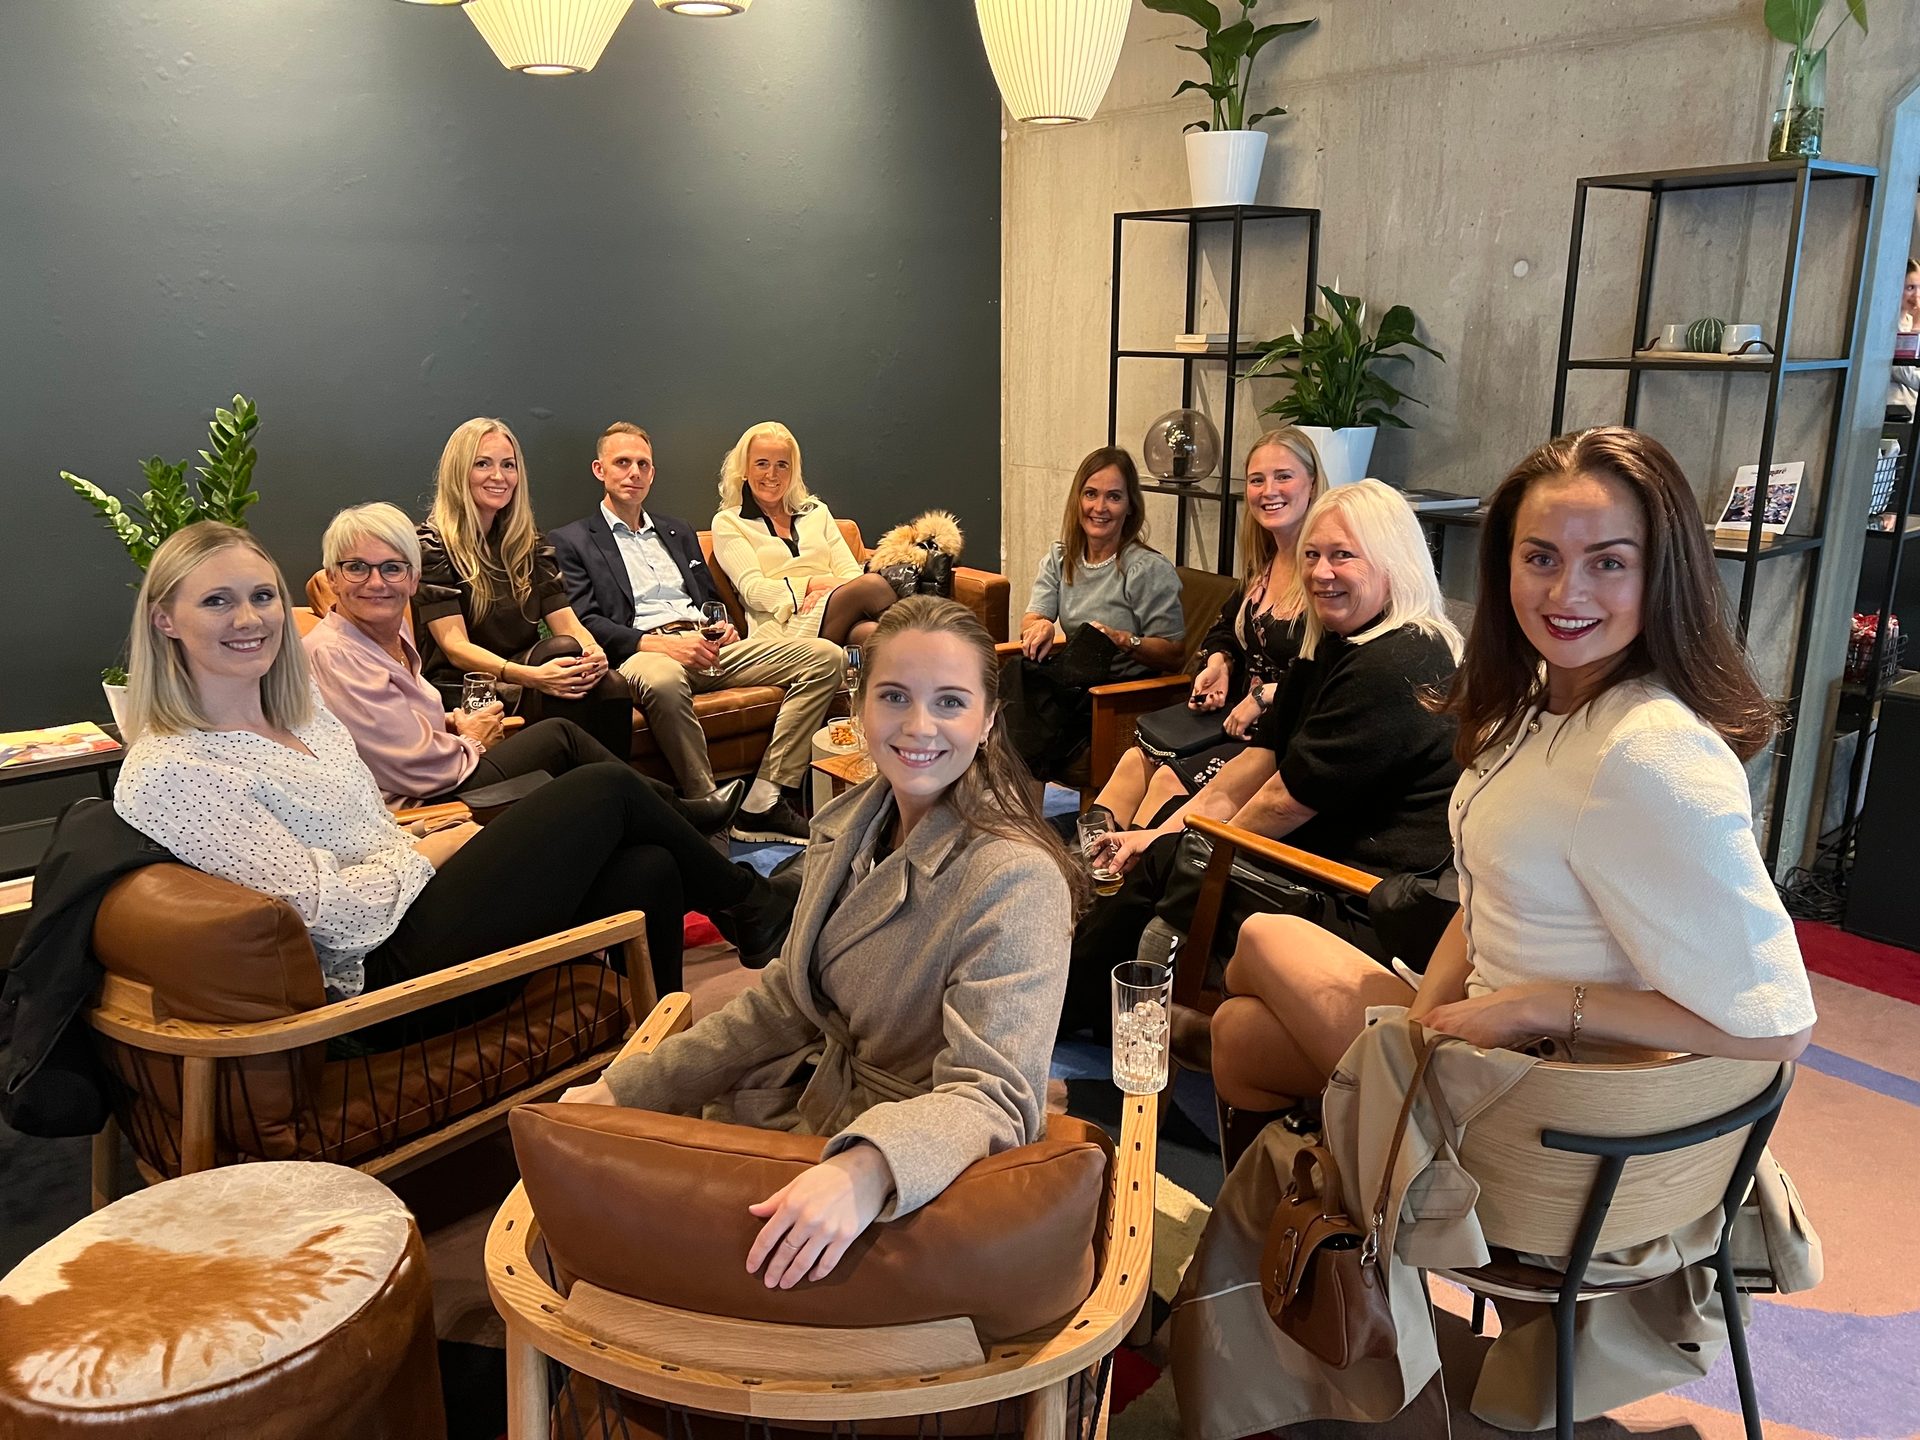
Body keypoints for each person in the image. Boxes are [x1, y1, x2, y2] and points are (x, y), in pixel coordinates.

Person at [1173, 426, 1818, 1437]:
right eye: (1541, 557)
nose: (1569, 591)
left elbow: (1778, 1025)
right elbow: (1483, 903)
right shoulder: (1543, 705)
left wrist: (1529, 1006)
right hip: (1496, 1067)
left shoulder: (1649, 753)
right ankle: (1325, 1311)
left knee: (1259, 952)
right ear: (1502, 563)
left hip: (1548, 1137)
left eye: (1610, 562)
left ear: (1664, 574)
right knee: (1246, 1041)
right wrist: (1427, 1027)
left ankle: (1322, 1294)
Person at [559, 597, 1084, 1289]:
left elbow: (992, 1095)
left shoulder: (1014, 878)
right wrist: (625, 1090)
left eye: (950, 702)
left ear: (987, 721)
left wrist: (866, 1171)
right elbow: (784, 1002)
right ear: (860, 707)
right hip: (810, 1101)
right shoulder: (848, 824)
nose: (919, 726)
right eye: (894, 696)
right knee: (610, 1210)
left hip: (919, 1174)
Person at [114, 524, 795, 1007]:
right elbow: (331, 918)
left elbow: (363, 832)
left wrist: (418, 844)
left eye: (261, 596)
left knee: (649, 866)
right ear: (164, 619)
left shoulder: (301, 720)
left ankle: (655, 1057)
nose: (250, 618)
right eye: (216, 600)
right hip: (377, 970)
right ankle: (748, 903)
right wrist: (442, 846)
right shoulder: (176, 767)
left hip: (414, 900)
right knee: (602, 787)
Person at [1061, 481, 1462, 1037]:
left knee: (1174, 861)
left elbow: (1280, 804)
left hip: (1367, 897)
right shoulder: (1332, 645)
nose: (1321, 572)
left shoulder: (1397, 660)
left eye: (1343, 556)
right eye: (1313, 555)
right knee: (1159, 839)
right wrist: (1160, 836)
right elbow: (1253, 767)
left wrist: (1185, 848)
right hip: (1317, 854)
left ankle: (1070, 1011)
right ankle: (1090, 1003)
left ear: (1392, 561)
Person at [304, 501, 743, 836]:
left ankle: (643, 825)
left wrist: (594, 655)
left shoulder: (389, 638)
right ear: (332, 576)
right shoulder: (333, 651)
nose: (376, 582)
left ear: (413, 580)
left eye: (392, 568)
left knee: (598, 683)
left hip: (448, 756)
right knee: (564, 739)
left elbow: (393, 724)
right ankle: (675, 814)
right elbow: (412, 766)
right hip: (428, 800)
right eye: (357, 568)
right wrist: (472, 739)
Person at [551, 423, 843, 847]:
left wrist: (722, 627)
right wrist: (662, 644)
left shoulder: (677, 531)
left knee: (825, 657)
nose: (634, 472)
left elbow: (708, 599)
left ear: (652, 474)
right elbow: (586, 620)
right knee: (665, 680)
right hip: (647, 650)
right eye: (622, 463)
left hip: (706, 645)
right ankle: (708, 809)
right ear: (600, 470)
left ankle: (765, 798)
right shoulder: (572, 540)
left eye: (643, 464)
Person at [1089, 428, 1323, 826]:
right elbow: (1225, 632)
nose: (1269, 490)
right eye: (1256, 479)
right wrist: (1219, 663)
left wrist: (1266, 696)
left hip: (1282, 737)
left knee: (1166, 780)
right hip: (1232, 720)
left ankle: (1131, 873)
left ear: (1313, 483)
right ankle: (1093, 871)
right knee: (1133, 761)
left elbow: (1330, 678)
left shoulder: (1325, 574)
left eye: (1283, 476)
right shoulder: (1260, 567)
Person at [413, 417, 634, 762]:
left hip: (532, 672)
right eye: (483, 464)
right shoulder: (431, 546)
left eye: (508, 465)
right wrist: (530, 676)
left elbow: (567, 622)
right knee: (560, 660)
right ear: (459, 472)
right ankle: (608, 797)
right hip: (469, 683)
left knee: (610, 683)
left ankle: (616, 798)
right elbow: (455, 648)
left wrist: (594, 653)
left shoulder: (527, 542)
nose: (499, 477)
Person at [1004, 448, 1185, 781]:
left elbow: (1174, 655)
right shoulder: (1060, 558)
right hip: (1072, 686)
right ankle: (1011, 811)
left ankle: (1012, 814)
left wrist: (1122, 639)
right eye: (1091, 494)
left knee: (1021, 718)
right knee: (1015, 672)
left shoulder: (1145, 569)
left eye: (1113, 497)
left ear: (1130, 506)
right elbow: (1032, 618)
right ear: (1078, 499)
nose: (1099, 508)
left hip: (1118, 698)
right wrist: (1040, 626)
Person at [708, 420, 903, 653]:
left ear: (793, 471)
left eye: (782, 465)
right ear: (745, 470)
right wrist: (813, 585)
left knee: (871, 636)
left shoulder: (817, 511)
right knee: (872, 585)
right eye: (762, 464)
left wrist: (830, 593)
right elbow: (754, 591)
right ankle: (932, 640)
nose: (772, 474)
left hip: (838, 610)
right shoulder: (729, 522)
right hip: (782, 626)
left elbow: (850, 572)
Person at [1889, 256, 1919, 418]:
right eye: (1910, 288)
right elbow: (1903, 371)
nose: (1916, 296)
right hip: (1893, 410)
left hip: (1912, 409)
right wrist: (1917, 326)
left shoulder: (1910, 321)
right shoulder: (1887, 326)